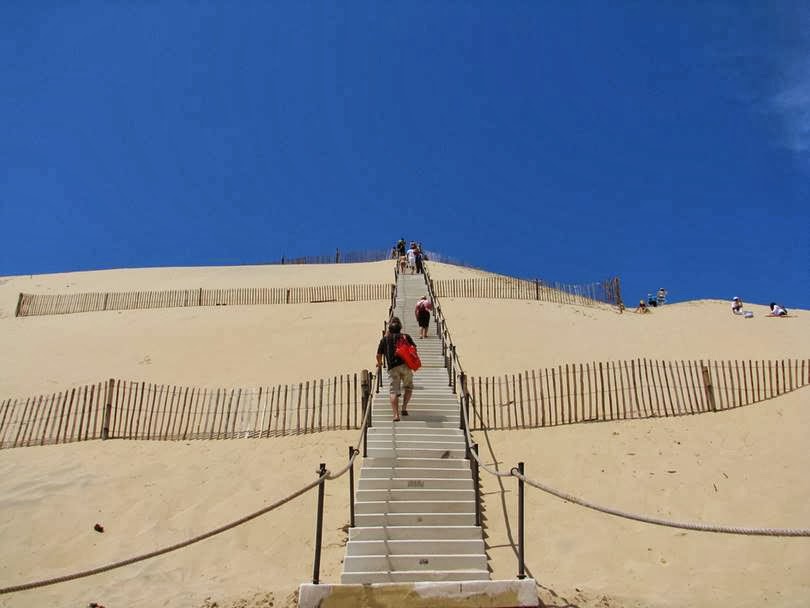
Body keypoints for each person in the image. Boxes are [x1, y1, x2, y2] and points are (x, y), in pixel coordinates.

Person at [376, 317, 416, 421]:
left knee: (393, 391)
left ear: (389, 328)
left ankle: (396, 415)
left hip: (392, 367)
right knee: (408, 387)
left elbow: (378, 354)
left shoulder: (385, 339)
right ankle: (404, 408)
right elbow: (414, 349)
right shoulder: (405, 337)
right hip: (406, 366)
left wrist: (379, 363)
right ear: (400, 327)